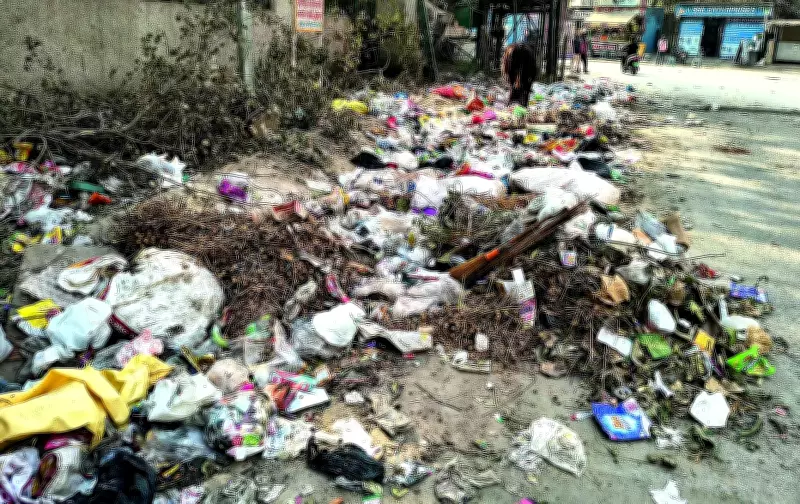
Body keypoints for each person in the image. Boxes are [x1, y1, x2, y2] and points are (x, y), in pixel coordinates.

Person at [502, 42, 537, 106]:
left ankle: (511, 103)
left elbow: (507, 70)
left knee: (515, 85)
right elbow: (532, 74)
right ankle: (522, 103)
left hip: (521, 76)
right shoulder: (529, 53)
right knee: (525, 86)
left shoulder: (511, 50)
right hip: (526, 75)